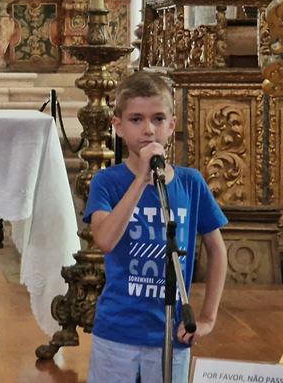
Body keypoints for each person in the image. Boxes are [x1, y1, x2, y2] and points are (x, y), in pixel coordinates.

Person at [83, 71, 228, 383]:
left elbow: (217, 250)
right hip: (117, 332)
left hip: (172, 333)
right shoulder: (107, 182)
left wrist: (207, 317)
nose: (148, 129)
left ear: (171, 126)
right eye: (136, 119)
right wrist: (141, 180)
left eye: (158, 119)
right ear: (118, 125)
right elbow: (105, 240)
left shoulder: (190, 182)